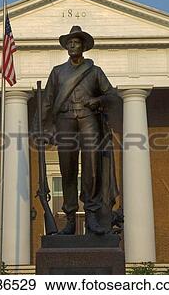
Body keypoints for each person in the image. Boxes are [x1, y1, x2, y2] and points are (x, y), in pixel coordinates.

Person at [41, 25, 119, 235]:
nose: (72, 45)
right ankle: (70, 219)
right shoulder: (58, 72)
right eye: (69, 42)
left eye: (76, 42)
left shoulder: (94, 72)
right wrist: (44, 129)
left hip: (88, 119)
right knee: (67, 170)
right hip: (65, 119)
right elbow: (47, 102)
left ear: (84, 46)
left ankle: (92, 215)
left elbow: (113, 96)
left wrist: (97, 100)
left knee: (92, 168)